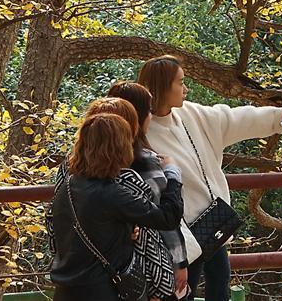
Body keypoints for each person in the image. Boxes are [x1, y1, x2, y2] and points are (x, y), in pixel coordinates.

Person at [138, 55, 282, 301]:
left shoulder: (190, 114)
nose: (186, 88)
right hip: (180, 232)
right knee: (184, 291)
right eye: (180, 82)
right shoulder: (142, 131)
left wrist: (279, 116)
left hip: (211, 222)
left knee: (220, 285)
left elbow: (232, 119)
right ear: (163, 87)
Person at [49, 111, 184, 301]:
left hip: (66, 290)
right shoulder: (112, 193)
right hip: (102, 290)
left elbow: (85, 230)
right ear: (118, 147)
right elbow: (168, 217)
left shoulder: (68, 186)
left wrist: (124, 232)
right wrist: (173, 173)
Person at [109, 81, 190, 300]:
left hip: (102, 272)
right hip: (147, 272)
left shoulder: (79, 167)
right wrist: (180, 262)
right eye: (149, 111)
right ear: (139, 116)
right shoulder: (144, 161)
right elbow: (166, 218)